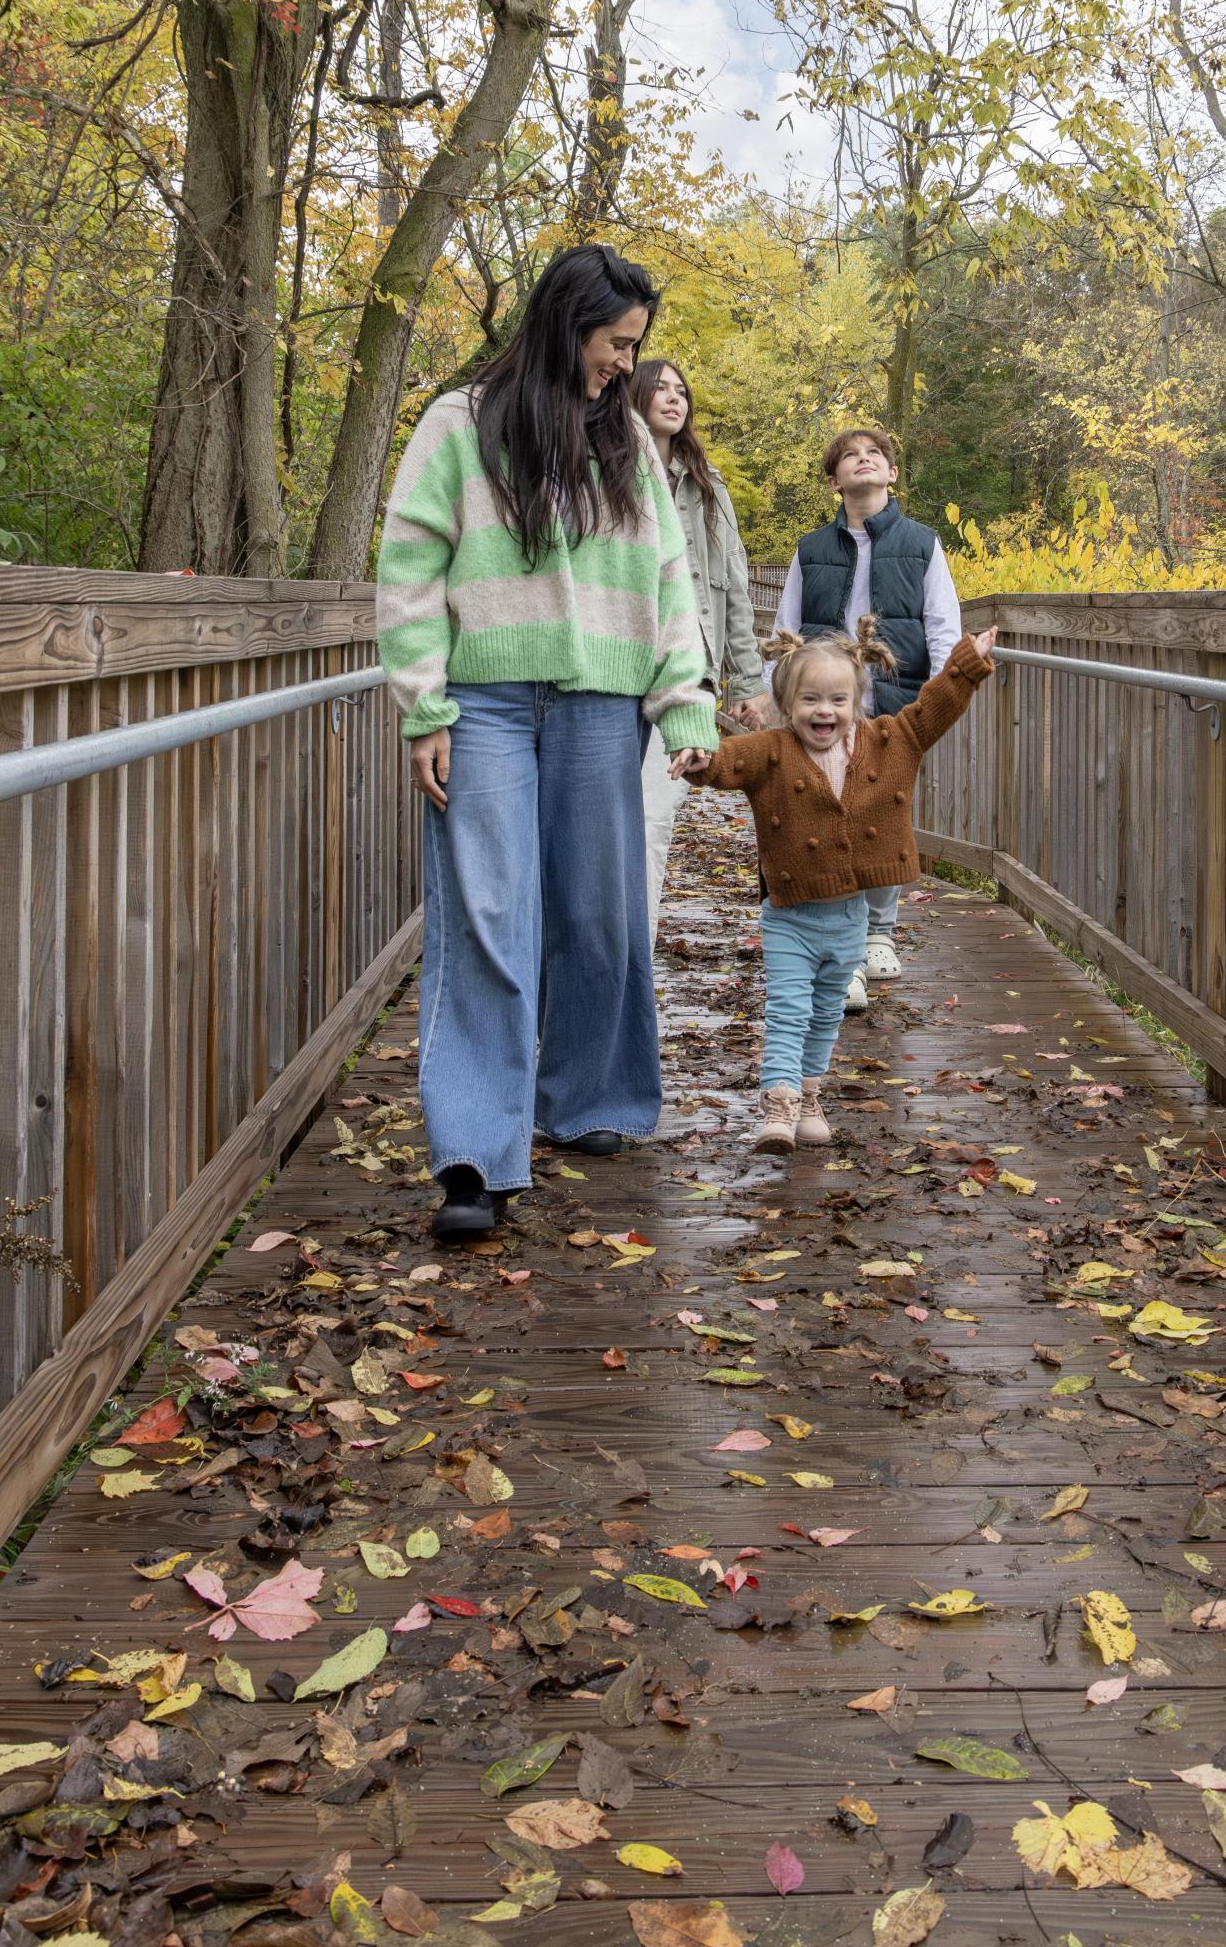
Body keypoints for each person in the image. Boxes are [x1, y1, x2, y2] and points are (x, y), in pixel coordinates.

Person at [376, 244, 718, 1242]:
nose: (625, 364)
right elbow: (406, 567)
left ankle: (594, 1097)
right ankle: (477, 1155)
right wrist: (424, 706)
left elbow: (669, 577)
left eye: (635, 348)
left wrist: (685, 702)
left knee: (602, 908)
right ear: (570, 325)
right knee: (488, 911)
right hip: (482, 702)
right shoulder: (460, 423)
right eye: (616, 344)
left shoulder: (630, 447)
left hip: (603, 702)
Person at [688, 616, 996, 1151]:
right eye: (809, 700)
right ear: (786, 705)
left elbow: (933, 709)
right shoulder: (772, 750)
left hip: (851, 920)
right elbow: (725, 763)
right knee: (788, 1010)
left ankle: (809, 1096)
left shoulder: (888, 741)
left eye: (837, 699)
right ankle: (777, 1108)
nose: (823, 711)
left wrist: (965, 665)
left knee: (828, 1014)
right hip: (791, 918)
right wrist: (697, 758)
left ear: (856, 701)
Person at [760, 427, 962, 1012]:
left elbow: (943, 625)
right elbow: (785, 628)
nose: (864, 460)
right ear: (835, 480)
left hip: (893, 695)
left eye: (875, 454)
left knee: (881, 810)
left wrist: (942, 693)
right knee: (824, 809)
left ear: (892, 474)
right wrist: (774, 696)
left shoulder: (923, 544)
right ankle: (844, 952)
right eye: (850, 456)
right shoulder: (811, 548)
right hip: (824, 700)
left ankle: (878, 932)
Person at [630, 356, 764, 938]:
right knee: (606, 820)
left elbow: (734, 585)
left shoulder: (710, 490)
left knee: (653, 817)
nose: (673, 397)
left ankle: (637, 946)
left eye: (681, 390)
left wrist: (749, 682)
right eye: (659, 387)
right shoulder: (608, 473)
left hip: (686, 674)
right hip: (612, 668)